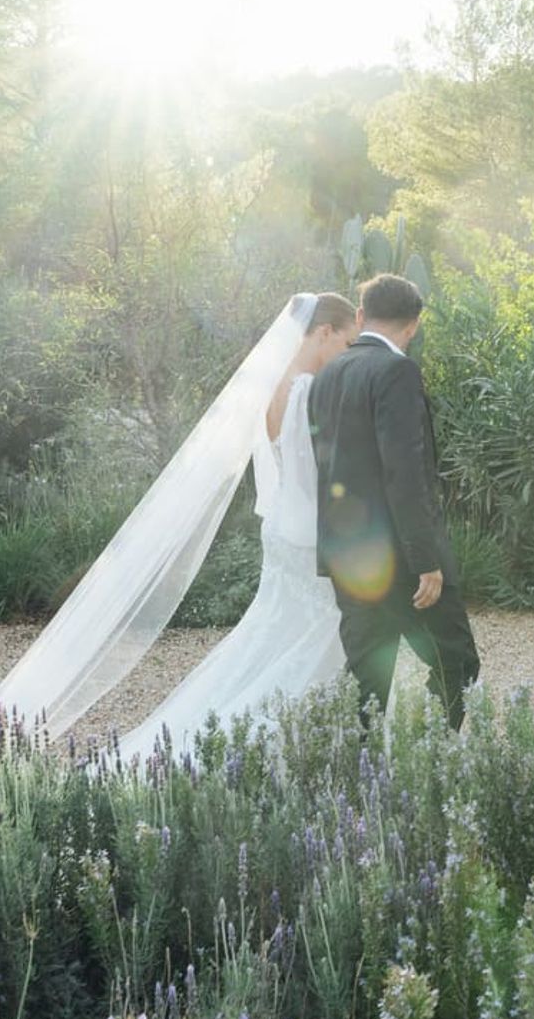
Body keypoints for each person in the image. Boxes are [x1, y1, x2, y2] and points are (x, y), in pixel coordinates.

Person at [116, 291, 357, 761]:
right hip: (311, 537)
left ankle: (226, 734)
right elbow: (321, 479)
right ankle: (281, 749)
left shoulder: (270, 389)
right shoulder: (308, 392)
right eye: (347, 343)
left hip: (281, 532)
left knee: (270, 638)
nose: (347, 356)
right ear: (324, 332)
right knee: (320, 639)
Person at [307, 274, 480, 730]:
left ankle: (356, 782)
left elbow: (325, 468)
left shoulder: (327, 376)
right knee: (456, 661)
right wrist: (425, 559)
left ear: (361, 316)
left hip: (348, 556)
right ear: (415, 325)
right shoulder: (397, 371)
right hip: (401, 560)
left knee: (366, 678)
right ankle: (430, 765)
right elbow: (404, 472)